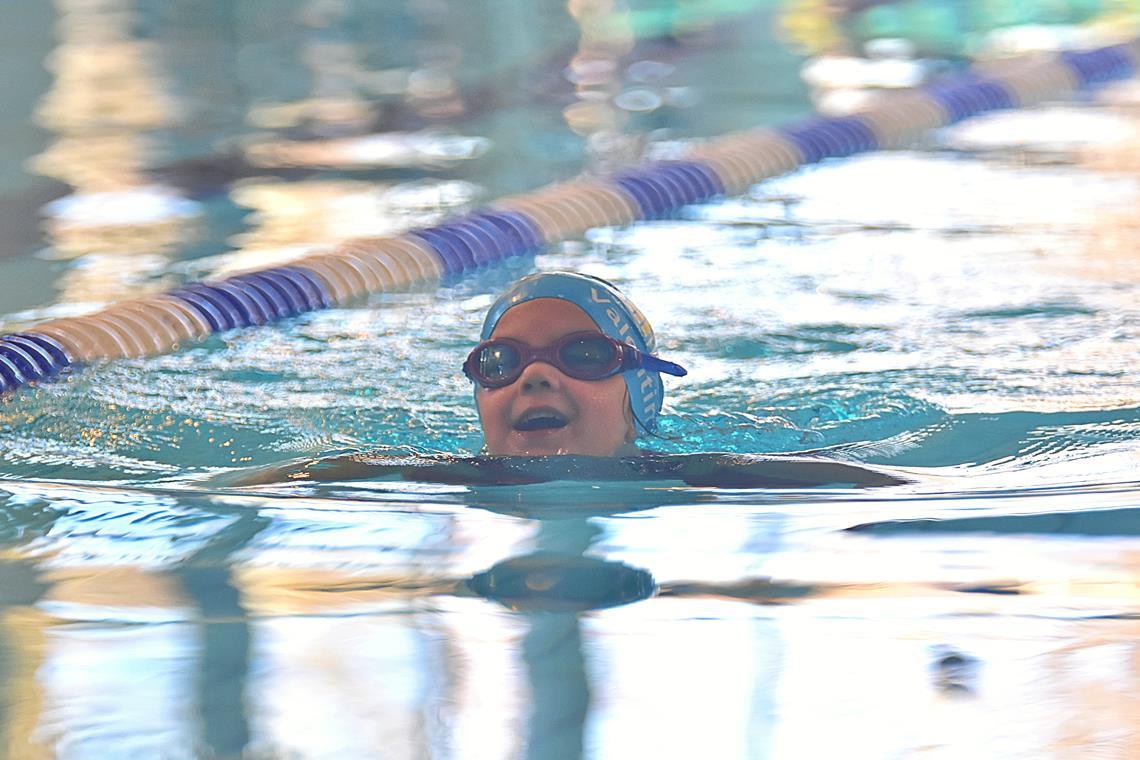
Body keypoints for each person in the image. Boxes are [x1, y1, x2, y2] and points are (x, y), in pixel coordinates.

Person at [227, 271, 907, 488]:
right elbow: (308, 475)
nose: (536, 379)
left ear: (640, 392)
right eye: (501, 363)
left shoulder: (701, 474)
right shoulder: (441, 475)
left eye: (582, 355)